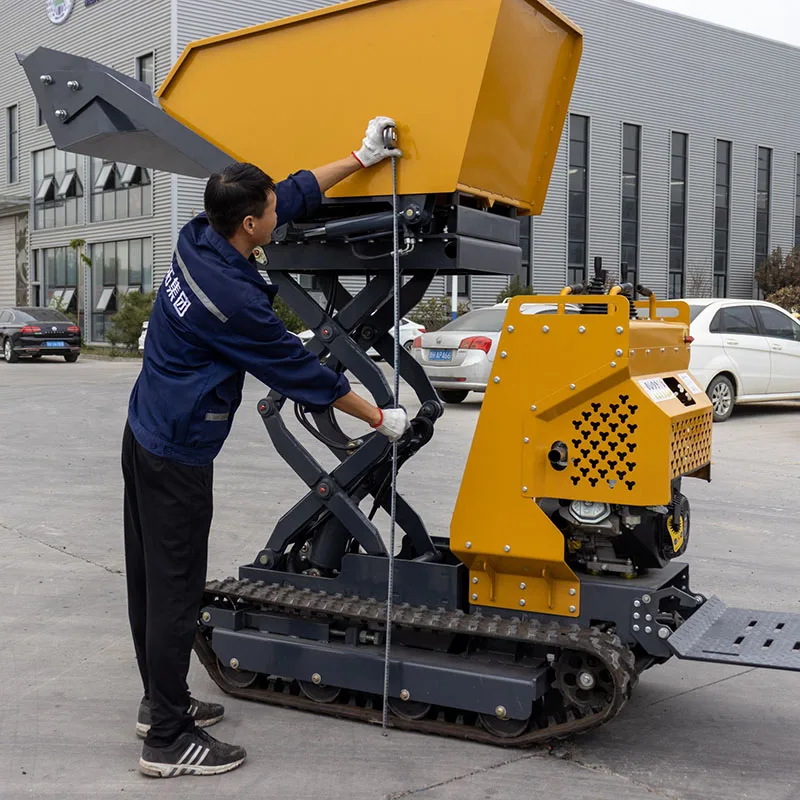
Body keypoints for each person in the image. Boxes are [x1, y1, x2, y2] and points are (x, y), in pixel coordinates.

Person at [123, 117, 407, 778]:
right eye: (270, 213)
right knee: (175, 593)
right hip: (176, 453)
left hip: (143, 432)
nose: (280, 213)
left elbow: (293, 192)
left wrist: (359, 158)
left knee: (150, 583)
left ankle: (157, 703)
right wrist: (380, 416)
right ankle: (166, 739)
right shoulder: (233, 301)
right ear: (248, 225)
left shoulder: (199, 237)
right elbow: (302, 373)